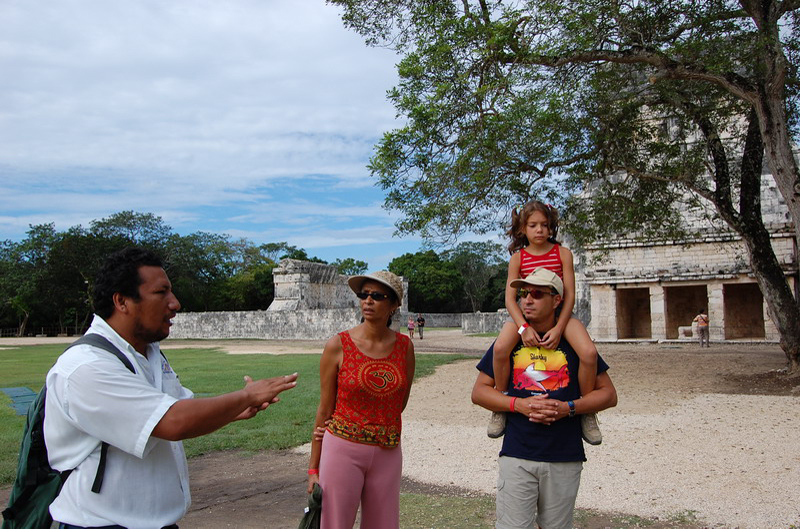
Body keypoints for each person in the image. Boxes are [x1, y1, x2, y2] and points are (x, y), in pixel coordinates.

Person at [43, 247, 298, 529]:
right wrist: (246, 396)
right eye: (161, 292)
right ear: (122, 301)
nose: (175, 303)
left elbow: (179, 406)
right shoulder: (85, 367)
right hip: (100, 524)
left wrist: (235, 409)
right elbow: (172, 421)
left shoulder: (148, 353)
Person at [472, 268, 617, 529]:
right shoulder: (510, 340)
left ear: (556, 300)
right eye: (524, 293)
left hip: (564, 455)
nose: (527, 299)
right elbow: (480, 391)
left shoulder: (574, 342)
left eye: (537, 294)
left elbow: (608, 394)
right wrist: (518, 405)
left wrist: (569, 408)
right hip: (517, 453)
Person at [307, 271, 415, 529]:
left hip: (387, 449)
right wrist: (313, 468)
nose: (368, 301)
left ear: (393, 305)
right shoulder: (339, 345)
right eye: (363, 294)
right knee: (335, 522)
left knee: (384, 524)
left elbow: (400, 401)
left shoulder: (404, 347)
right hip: (343, 448)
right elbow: (325, 408)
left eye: (377, 296)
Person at [489, 201, 601, 444]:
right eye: (533, 225)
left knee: (589, 353)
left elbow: (569, 294)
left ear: (551, 228)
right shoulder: (518, 258)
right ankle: (501, 402)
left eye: (544, 225)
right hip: (524, 317)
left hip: (559, 315)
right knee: (499, 349)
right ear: (522, 229)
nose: (539, 230)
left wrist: (560, 327)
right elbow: (511, 298)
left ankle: (587, 408)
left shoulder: (562, 254)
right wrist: (523, 327)